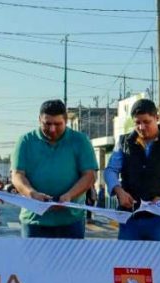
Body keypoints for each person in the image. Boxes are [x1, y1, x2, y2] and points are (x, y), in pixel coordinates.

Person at [105, 98, 160, 241]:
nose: (142, 127)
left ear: (156, 118)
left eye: (146, 122)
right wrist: (118, 191)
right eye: (137, 123)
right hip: (129, 217)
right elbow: (110, 170)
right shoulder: (123, 143)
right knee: (128, 263)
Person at [11, 99, 98, 239]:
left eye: (57, 124)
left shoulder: (80, 141)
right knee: (33, 261)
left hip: (71, 221)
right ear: (39, 119)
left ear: (66, 120)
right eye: (47, 124)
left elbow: (90, 175)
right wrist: (32, 194)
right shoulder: (25, 141)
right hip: (34, 221)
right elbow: (17, 175)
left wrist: (69, 195)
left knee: (70, 261)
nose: (52, 129)